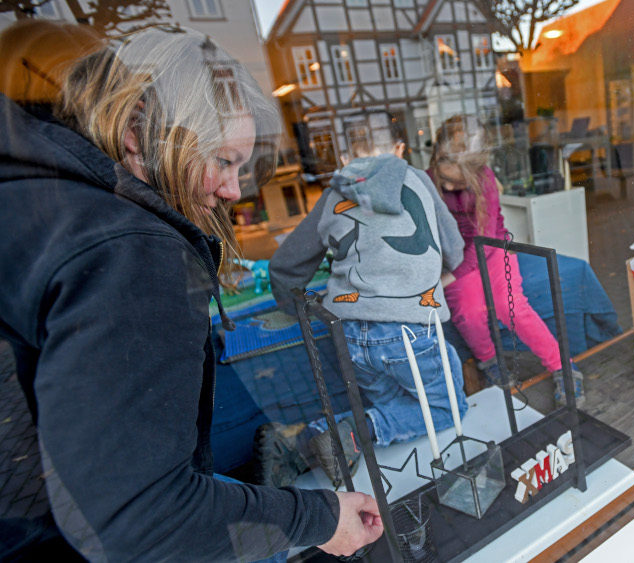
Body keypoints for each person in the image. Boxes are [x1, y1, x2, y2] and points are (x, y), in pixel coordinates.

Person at [0, 26, 382, 561]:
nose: (232, 191)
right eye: (223, 160)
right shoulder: (127, 250)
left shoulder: (38, 202)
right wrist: (318, 518)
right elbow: (147, 520)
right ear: (138, 131)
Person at [268, 111, 468, 485]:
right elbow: (454, 249)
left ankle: (304, 441)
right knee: (448, 408)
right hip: (411, 332)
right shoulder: (420, 180)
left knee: (389, 408)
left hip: (349, 334)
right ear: (399, 148)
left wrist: (290, 307)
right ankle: (352, 434)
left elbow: (287, 265)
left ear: (343, 158)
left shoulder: (332, 195)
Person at [427, 115, 585, 406]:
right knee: (467, 310)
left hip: (491, 247)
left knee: (510, 306)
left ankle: (563, 367)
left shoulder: (485, 180)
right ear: (436, 156)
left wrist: (447, 278)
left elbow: (483, 243)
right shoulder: (426, 180)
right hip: (455, 255)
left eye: (456, 183)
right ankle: (490, 363)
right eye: (445, 180)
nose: (448, 189)